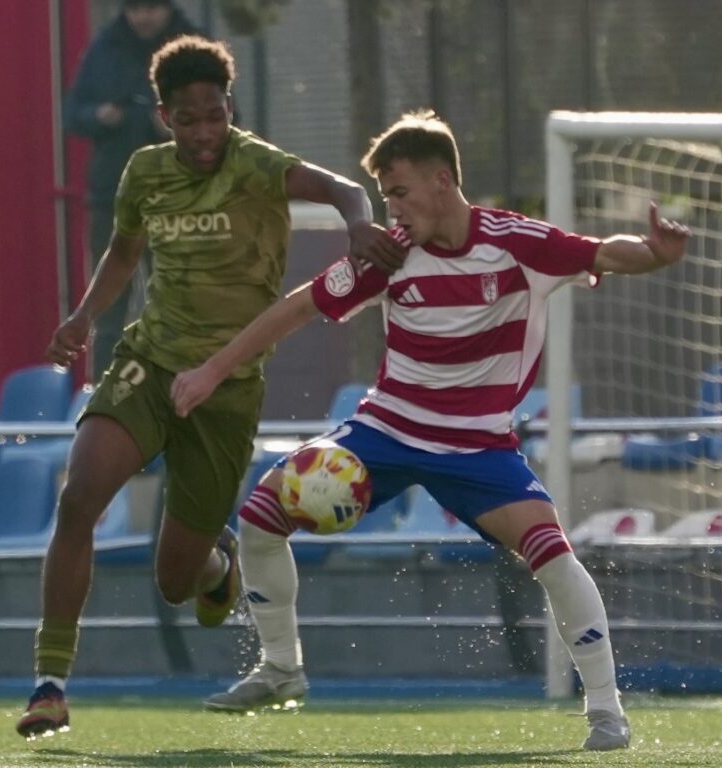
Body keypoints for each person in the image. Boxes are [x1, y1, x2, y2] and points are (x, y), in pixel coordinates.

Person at [169, 111, 690, 751]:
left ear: (442, 181)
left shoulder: (517, 242)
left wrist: (656, 254)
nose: (392, 208)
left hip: (477, 445)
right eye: (385, 196)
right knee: (258, 516)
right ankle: (281, 669)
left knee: (552, 554)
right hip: (385, 430)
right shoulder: (388, 255)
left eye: (399, 192)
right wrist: (212, 370)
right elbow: (298, 306)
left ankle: (606, 711)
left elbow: (603, 251)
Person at [15, 35, 406, 739]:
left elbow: (346, 189)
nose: (203, 133)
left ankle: (216, 563)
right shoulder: (144, 172)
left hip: (227, 384)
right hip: (151, 363)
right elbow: (124, 252)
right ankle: (50, 684)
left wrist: (358, 226)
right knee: (78, 499)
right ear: (164, 117)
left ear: (230, 109)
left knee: (176, 581)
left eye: (215, 116)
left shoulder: (257, 164)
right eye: (188, 120)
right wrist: (84, 316)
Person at [65, 0, 203, 381]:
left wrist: (178, 125)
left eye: (152, 8)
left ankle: (179, 390)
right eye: (135, 9)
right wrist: (99, 116)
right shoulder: (105, 48)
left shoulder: (193, 47)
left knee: (178, 308)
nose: (144, 17)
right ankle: (105, 392)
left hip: (176, 201)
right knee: (106, 310)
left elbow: (228, 118)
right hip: (112, 197)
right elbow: (73, 112)